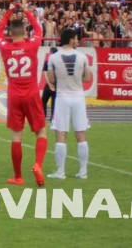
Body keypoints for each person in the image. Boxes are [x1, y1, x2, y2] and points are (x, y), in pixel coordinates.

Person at [0, 0, 47, 186]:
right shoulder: (32, 44)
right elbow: (39, 29)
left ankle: (18, 176)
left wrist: (9, 12)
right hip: (32, 93)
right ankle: (38, 164)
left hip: (14, 95)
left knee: (16, 135)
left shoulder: (5, 46)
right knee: (41, 130)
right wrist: (26, 11)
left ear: (10, 34)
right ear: (25, 32)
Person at [46, 28, 91, 179]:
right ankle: (83, 172)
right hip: (78, 97)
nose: (77, 41)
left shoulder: (54, 57)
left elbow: (51, 80)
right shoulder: (82, 56)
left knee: (60, 134)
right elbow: (87, 78)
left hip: (62, 97)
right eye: (76, 38)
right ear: (71, 39)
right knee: (81, 134)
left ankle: (60, 172)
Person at [41, 47, 58, 123]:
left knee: (44, 100)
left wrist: (49, 84)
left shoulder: (47, 62)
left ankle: (43, 116)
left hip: (49, 84)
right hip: (55, 85)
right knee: (53, 102)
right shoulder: (58, 63)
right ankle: (53, 118)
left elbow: (45, 74)